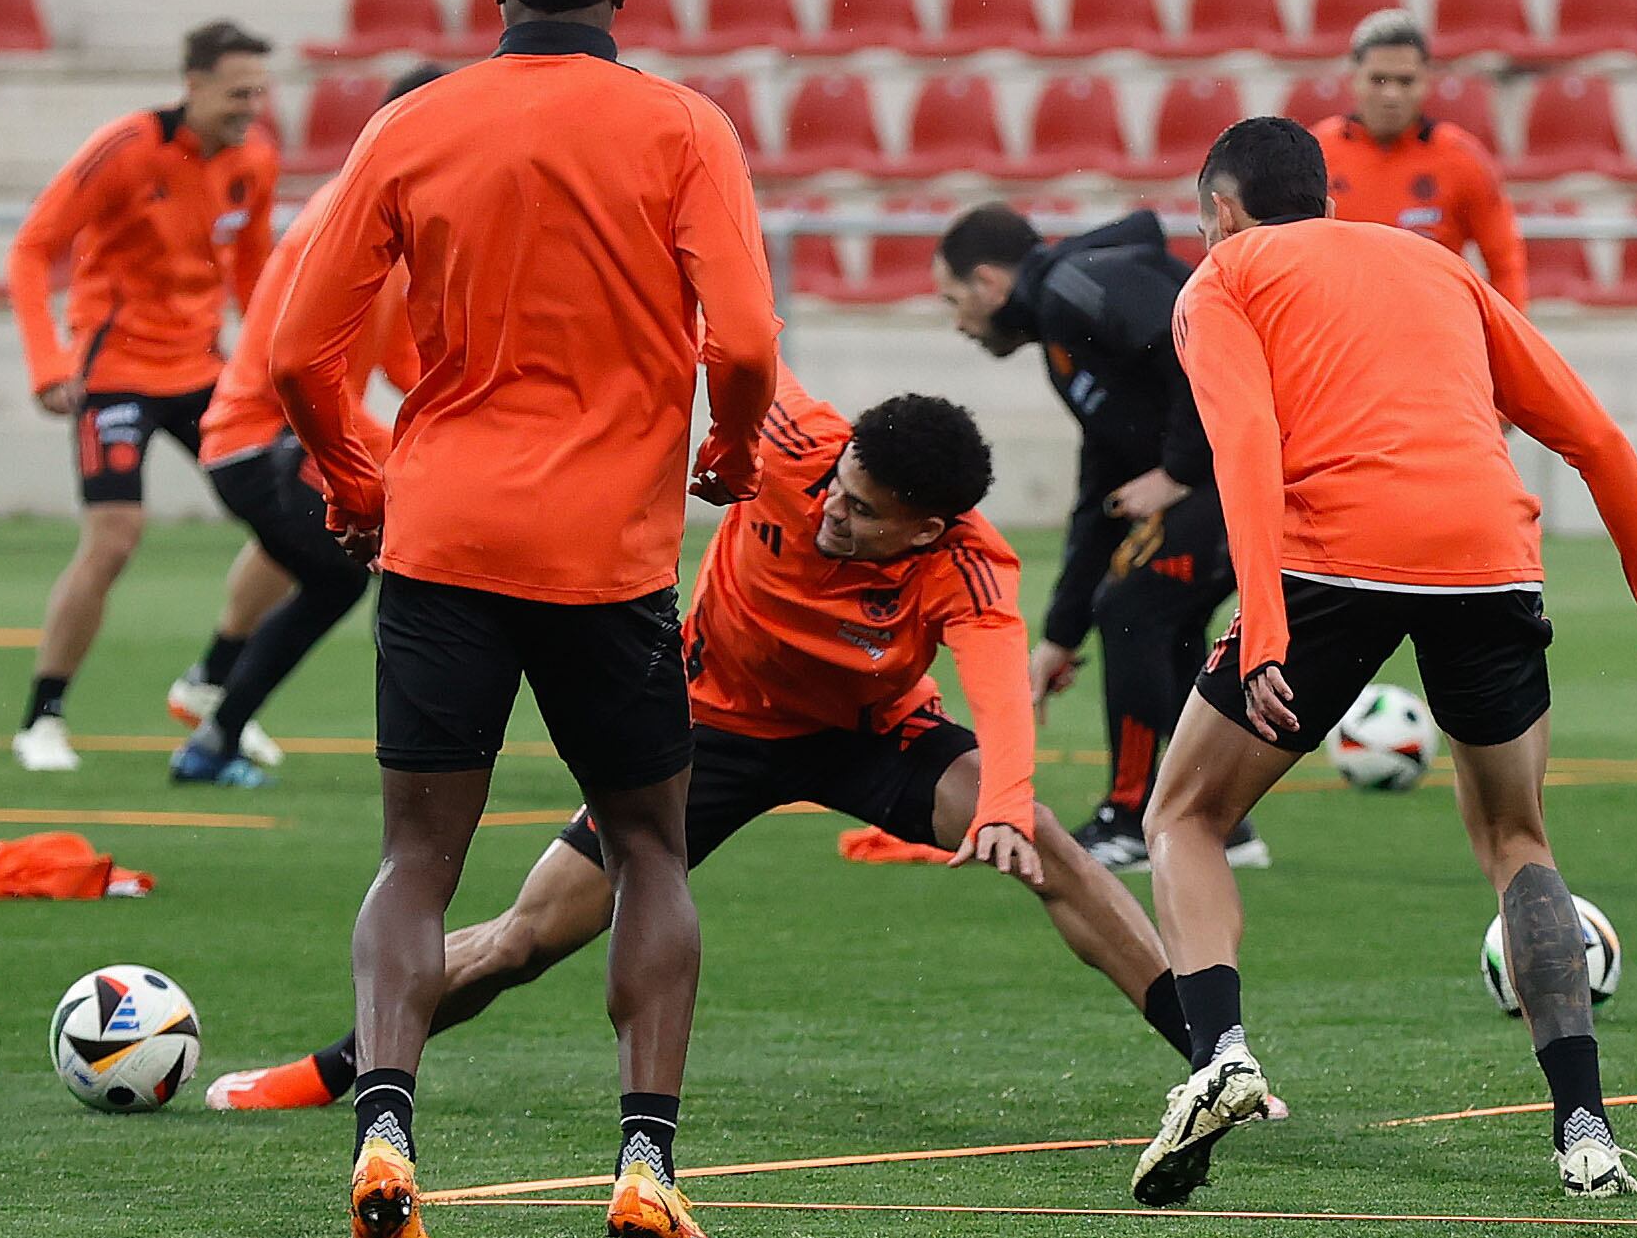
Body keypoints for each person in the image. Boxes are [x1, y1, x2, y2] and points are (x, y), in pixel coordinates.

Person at [205, 375, 1276, 1120]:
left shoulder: (969, 566)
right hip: (710, 726)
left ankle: (1209, 1058)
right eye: (840, 487)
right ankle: (335, 1066)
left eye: (862, 515)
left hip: (868, 736)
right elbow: (732, 328)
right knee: (530, 935)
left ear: (928, 529)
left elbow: (1000, 692)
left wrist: (999, 799)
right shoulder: (793, 444)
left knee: (1042, 838)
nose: (830, 515)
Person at [272, 0, 781, 1238]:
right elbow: (740, 344)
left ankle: (384, 1124)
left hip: (443, 534)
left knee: (417, 859)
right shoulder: (684, 126)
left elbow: (295, 352)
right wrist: (730, 454)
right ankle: (644, 1161)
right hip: (606, 558)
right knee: (648, 846)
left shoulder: (413, 123)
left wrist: (356, 475)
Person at [1129, 119, 1637, 1208]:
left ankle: (1220, 1054)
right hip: (1487, 553)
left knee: (1183, 815)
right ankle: (1582, 1127)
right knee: (1516, 835)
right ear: (1324, 195)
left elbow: (1246, 450)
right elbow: (1598, 439)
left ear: (1220, 208)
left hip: (1328, 561)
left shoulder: (1221, 279)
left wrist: (1260, 627)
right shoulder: (1434, 263)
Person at [934, 204, 1265, 873]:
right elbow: (1103, 493)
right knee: (1158, 619)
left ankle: (1134, 817)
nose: (957, 321)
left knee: (1135, 606)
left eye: (953, 298)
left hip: (1258, 465)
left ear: (991, 282)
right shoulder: (1062, 334)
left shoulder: (1073, 286)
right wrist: (1059, 635)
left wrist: (1177, 469)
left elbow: (1191, 337)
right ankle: (1213, 820)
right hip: (1226, 471)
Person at [5, 20, 289, 774]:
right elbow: (33, 247)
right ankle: (43, 716)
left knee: (296, 525)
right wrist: (47, 362)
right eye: (237, 92)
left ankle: (213, 685)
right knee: (115, 536)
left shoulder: (255, 159)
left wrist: (271, 368)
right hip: (116, 372)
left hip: (203, 371)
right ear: (192, 84)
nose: (250, 106)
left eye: (259, 91)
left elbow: (256, 277)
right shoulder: (126, 149)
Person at [170, 66, 446, 787]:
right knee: (362, 572)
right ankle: (218, 730)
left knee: (355, 572)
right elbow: (289, 369)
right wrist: (399, 448)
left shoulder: (384, 216)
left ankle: (216, 713)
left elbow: (395, 357)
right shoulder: (341, 219)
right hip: (262, 439)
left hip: (299, 436)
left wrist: (468, 414)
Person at [1308, 8, 1528, 306]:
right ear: (1354, 78)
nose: (1392, 95)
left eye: (1405, 81)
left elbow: (1506, 264)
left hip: (1432, 334)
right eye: (1379, 80)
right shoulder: (1315, 154)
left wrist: (1505, 345)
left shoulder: (1461, 158)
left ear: (1426, 80)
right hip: (1337, 333)